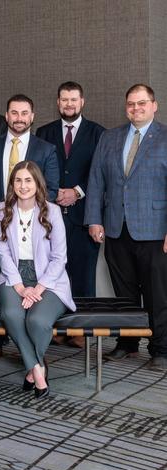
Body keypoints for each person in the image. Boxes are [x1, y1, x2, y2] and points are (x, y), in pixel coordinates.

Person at [85, 83, 167, 369]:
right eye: (131, 104)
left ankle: (161, 348)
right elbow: (96, 180)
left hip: (155, 230)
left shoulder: (165, 137)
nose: (136, 108)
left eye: (142, 103)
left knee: (159, 293)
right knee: (124, 292)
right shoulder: (110, 137)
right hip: (116, 228)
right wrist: (94, 219)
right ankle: (128, 343)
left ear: (154, 105)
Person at [0, 93, 60, 362]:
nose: (19, 118)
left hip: (33, 229)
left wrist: (30, 215)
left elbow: (52, 189)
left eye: (24, 113)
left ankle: (32, 355)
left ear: (32, 117)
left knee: (27, 296)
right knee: (0, 282)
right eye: (14, 113)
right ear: (6, 115)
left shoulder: (45, 149)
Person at [0, 161, 75, 398]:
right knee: (11, 314)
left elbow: (60, 258)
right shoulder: (1, 211)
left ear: (38, 183)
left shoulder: (52, 211)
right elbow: (3, 253)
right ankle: (37, 370)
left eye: (28, 180)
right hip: (12, 275)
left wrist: (38, 289)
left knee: (38, 321)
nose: (23, 185)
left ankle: (31, 367)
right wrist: (19, 287)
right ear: (12, 184)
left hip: (49, 277)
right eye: (18, 180)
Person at [36, 81, 105, 306]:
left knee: (84, 276)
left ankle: (80, 334)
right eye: (64, 99)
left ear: (82, 102)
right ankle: (55, 325)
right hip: (50, 217)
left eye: (73, 99)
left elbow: (101, 171)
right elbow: (37, 171)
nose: (69, 104)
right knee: (51, 274)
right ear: (58, 102)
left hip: (84, 217)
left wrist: (77, 191)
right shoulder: (43, 133)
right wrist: (53, 192)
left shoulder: (99, 133)